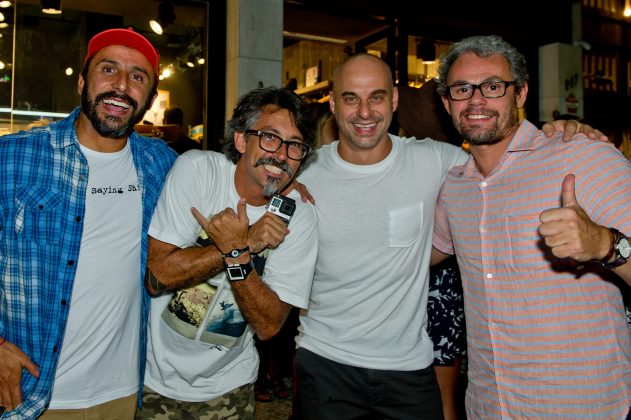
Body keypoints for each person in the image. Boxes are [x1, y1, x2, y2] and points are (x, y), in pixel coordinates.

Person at [293, 52, 608, 420]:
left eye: (376, 97)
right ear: (333, 103)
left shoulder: (439, 161)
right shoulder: (305, 173)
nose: (365, 112)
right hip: (326, 362)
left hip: (410, 368)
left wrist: (563, 131)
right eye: (351, 98)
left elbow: (504, 155)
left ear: (394, 100)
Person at [431, 35, 631, 419]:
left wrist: (606, 244)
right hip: (489, 407)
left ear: (520, 94)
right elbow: (417, 257)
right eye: (461, 89)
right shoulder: (454, 187)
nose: (476, 101)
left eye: (492, 86)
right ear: (447, 103)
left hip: (584, 407)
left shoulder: (584, 157)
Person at [0, 27, 176, 419]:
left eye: (137, 77)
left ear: (148, 97)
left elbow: (226, 186)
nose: (121, 86)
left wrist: (285, 184)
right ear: (82, 81)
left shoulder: (160, 164)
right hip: (32, 395)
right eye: (108, 69)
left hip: (125, 393)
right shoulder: (13, 158)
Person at [136, 86, 318, 419]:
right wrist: (243, 243)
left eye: (294, 145)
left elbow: (268, 326)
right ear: (240, 140)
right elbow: (157, 276)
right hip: (152, 381)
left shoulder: (300, 217)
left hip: (230, 388)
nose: (280, 154)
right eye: (270, 137)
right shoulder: (199, 171)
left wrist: (237, 253)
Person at [397, 80, 467, 420]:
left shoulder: (432, 168)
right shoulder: (463, 167)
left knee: (436, 399)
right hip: (445, 288)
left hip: (431, 289)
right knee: (443, 398)